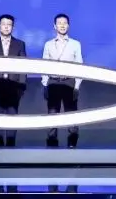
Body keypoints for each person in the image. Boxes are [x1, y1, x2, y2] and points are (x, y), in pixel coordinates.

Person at [0, 14, 27, 148]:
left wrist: (22, 85)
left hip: (14, 86)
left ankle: (11, 144)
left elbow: (23, 66)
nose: (6, 27)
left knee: (13, 116)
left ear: (12, 27)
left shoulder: (20, 44)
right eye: (4, 24)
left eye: (9, 25)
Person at [41, 13, 83, 148]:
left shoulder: (75, 44)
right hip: (53, 82)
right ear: (55, 26)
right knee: (52, 113)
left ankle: (72, 141)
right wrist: (45, 84)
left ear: (68, 26)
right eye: (59, 23)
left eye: (65, 23)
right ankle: (52, 141)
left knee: (71, 113)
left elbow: (80, 66)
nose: (62, 25)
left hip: (69, 81)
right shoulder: (48, 44)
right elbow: (44, 66)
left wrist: (77, 86)